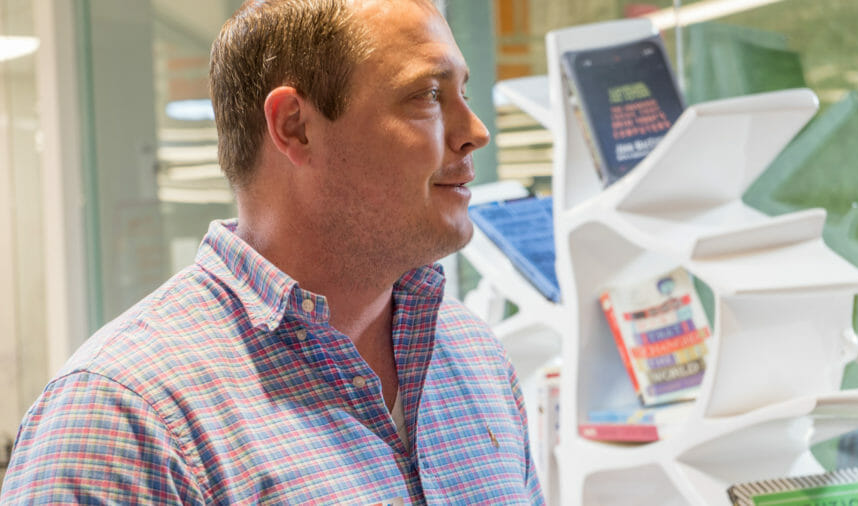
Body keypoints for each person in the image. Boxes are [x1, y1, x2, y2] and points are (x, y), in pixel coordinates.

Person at [1, 0, 545, 504]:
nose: (476, 132)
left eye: (463, 94)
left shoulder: (475, 356)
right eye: (428, 94)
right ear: (295, 127)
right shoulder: (122, 419)